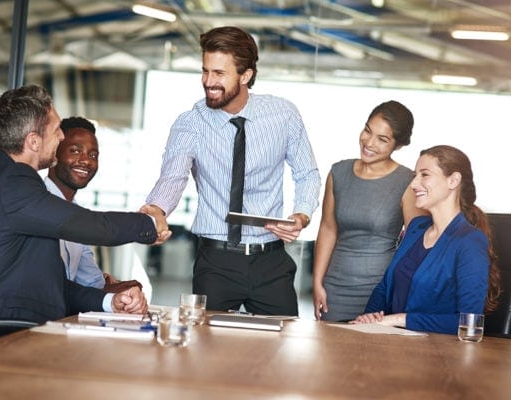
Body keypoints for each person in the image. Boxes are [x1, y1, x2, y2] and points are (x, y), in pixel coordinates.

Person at [142, 26, 321, 316]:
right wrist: (157, 210)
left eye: (219, 74)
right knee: (205, 351)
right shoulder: (191, 123)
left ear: (246, 75)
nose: (208, 82)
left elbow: (307, 173)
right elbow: (172, 178)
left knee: (280, 351)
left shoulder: (283, 115)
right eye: (205, 71)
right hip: (216, 262)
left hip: (271, 262)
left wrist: (301, 214)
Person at [0, 84, 169, 324]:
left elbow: (48, 284)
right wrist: (149, 223)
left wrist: (109, 302)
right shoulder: (12, 183)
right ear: (34, 141)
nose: (62, 136)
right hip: (2, 334)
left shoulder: (5, 181)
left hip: (17, 325)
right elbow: (90, 224)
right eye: (56, 130)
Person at [351, 145, 501, 334]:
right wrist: (368, 321)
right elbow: (385, 287)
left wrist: (397, 320)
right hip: (391, 343)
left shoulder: (469, 241)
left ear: (453, 180)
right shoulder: (416, 227)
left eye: (424, 175)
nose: (414, 184)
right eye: (415, 175)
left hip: (437, 354)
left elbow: (469, 322)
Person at [312, 100, 426, 322]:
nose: (369, 142)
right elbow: (328, 229)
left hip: (378, 292)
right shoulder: (339, 172)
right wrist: (317, 282)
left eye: (382, 139)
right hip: (334, 289)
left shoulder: (407, 182)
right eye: (367, 130)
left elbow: (415, 245)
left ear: (398, 145)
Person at [45, 116, 144, 294]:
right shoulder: (38, 203)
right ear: (54, 153)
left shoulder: (78, 217)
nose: (86, 161)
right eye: (75, 151)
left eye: (93, 155)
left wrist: (128, 289)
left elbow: (92, 284)